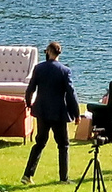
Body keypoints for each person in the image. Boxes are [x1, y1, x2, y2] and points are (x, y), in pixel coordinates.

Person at [23, 41, 80, 183]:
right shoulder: (64, 70)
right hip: (58, 112)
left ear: (48, 51)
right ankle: (63, 178)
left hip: (42, 110)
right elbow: (71, 94)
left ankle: (27, 175)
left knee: (40, 142)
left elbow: (30, 89)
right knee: (63, 145)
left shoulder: (38, 68)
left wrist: (29, 104)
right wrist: (76, 113)